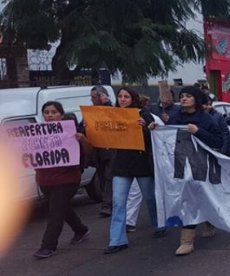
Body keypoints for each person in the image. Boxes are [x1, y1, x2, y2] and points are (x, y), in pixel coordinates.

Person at [105, 87, 167, 254]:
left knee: (150, 197)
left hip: (141, 164)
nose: (123, 99)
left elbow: (153, 138)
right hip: (121, 165)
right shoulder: (112, 115)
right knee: (118, 202)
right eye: (120, 96)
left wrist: (146, 128)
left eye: (126, 96)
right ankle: (117, 240)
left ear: (133, 99)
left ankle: (159, 224)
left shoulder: (143, 114)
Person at [166, 86, 223, 256]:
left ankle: (206, 222)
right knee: (188, 198)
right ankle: (187, 241)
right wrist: (155, 128)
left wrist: (198, 132)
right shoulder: (176, 117)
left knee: (200, 196)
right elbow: (167, 136)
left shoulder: (206, 119)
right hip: (182, 165)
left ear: (196, 100)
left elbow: (218, 140)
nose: (183, 99)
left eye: (188, 96)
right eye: (182, 96)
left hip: (200, 165)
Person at [32, 101, 92, 259]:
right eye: (46, 112)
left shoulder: (71, 133)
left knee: (55, 212)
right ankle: (81, 230)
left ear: (61, 115)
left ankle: (48, 246)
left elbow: (89, 153)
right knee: (62, 208)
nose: (50, 115)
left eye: (53, 112)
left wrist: (82, 140)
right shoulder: (37, 133)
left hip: (67, 179)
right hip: (45, 180)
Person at [90, 85, 115, 218]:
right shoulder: (91, 113)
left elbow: (116, 119)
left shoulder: (111, 108)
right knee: (102, 177)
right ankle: (109, 202)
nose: (92, 100)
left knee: (109, 176)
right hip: (98, 150)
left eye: (95, 97)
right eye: (92, 97)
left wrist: (108, 104)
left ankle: (107, 205)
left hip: (111, 149)